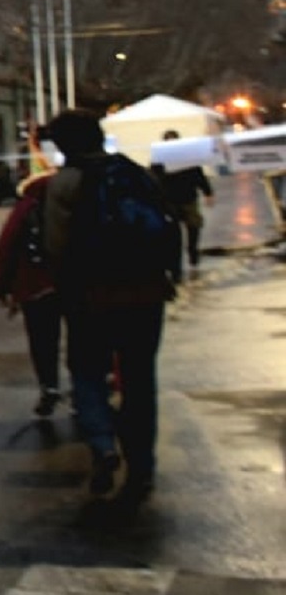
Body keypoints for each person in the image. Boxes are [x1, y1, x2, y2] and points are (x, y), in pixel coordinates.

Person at [41, 108, 178, 504]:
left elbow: (56, 246)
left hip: (92, 297)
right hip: (147, 295)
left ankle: (103, 445)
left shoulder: (64, 183)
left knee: (86, 372)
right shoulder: (136, 173)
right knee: (139, 380)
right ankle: (142, 468)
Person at [0, 171, 68, 419]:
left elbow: (7, 245)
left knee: (43, 340)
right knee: (82, 340)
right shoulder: (76, 201)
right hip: (76, 284)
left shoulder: (27, 206)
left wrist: (1, 286)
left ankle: (50, 386)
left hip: (36, 285)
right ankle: (85, 392)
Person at [152, 130, 214, 274]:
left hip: (188, 199)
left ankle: (192, 256)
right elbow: (154, 179)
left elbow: (199, 175)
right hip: (169, 202)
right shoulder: (159, 160)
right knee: (173, 234)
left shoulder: (187, 158)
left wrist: (208, 193)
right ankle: (176, 266)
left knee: (194, 227)